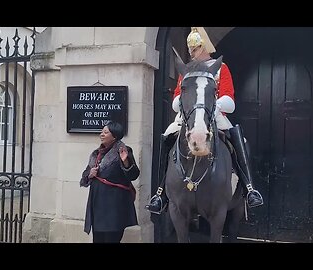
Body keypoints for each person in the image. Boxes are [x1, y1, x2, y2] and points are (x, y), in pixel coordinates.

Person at [145, 27, 264, 215]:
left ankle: (249, 188)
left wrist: (214, 106)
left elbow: (229, 100)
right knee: (167, 137)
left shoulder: (221, 68)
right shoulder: (187, 71)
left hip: (214, 114)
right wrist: (184, 100)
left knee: (237, 138)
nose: (192, 53)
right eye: (191, 49)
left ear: (204, 47)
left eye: (195, 49)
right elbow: (176, 100)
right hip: (188, 116)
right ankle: (160, 193)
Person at [80, 121, 140, 243]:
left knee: (112, 239)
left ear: (115, 136)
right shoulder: (96, 154)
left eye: (105, 132)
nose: (101, 134)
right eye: (102, 132)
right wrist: (90, 174)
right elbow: (85, 176)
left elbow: (134, 175)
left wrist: (126, 162)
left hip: (114, 207)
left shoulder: (124, 150)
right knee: (97, 239)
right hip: (97, 206)